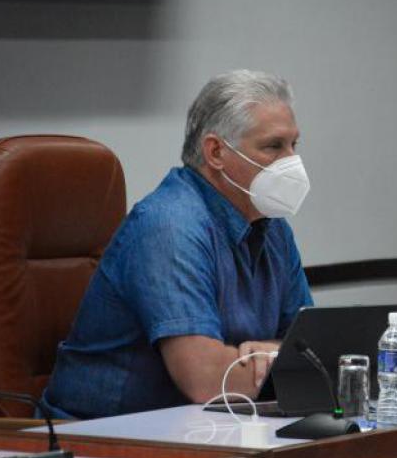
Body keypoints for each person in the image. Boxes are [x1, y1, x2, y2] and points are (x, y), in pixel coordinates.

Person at [42, 70, 313, 418]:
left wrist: (273, 354)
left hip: (205, 428)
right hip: (97, 435)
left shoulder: (272, 227)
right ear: (216, 152)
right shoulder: (168, 226)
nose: (291, 161)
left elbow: (312, 348)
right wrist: (285, 361)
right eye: (274, 146)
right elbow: (206, 379)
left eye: (293, 145)